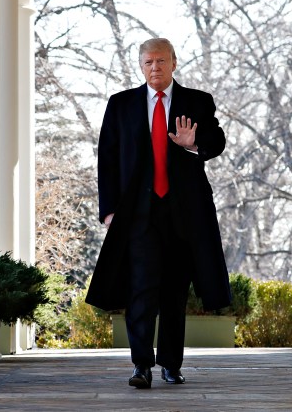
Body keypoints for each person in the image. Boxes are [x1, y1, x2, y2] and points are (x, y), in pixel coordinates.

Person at [86, 37, 231, 389]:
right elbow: (107, 157)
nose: (156, 67)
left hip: (184, 215)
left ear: (174, 63)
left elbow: (218, 141)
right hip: (137, 215)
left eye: (162, 61)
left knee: (175, 293)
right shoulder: (120, 104)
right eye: (149, 62)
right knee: (141, 290)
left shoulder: (198, 101)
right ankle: (141, 365)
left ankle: (170, 363)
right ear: (141, 65)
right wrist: (108, 211)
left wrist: (192, 144)